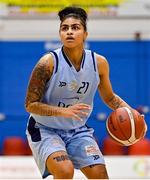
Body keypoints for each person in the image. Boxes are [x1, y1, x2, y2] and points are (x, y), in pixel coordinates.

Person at [25, 6, 137, 179]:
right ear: (60, 33)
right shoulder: (47, 63)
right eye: (64, 28)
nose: (69, 32)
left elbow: (109, 97)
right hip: (45, 128)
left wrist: (132, 113)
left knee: (100, 174)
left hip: (77, 130)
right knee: (65, 171)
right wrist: (63, 111)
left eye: (75, 27)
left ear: (85, 34)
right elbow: (30, 104)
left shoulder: (99, 63)